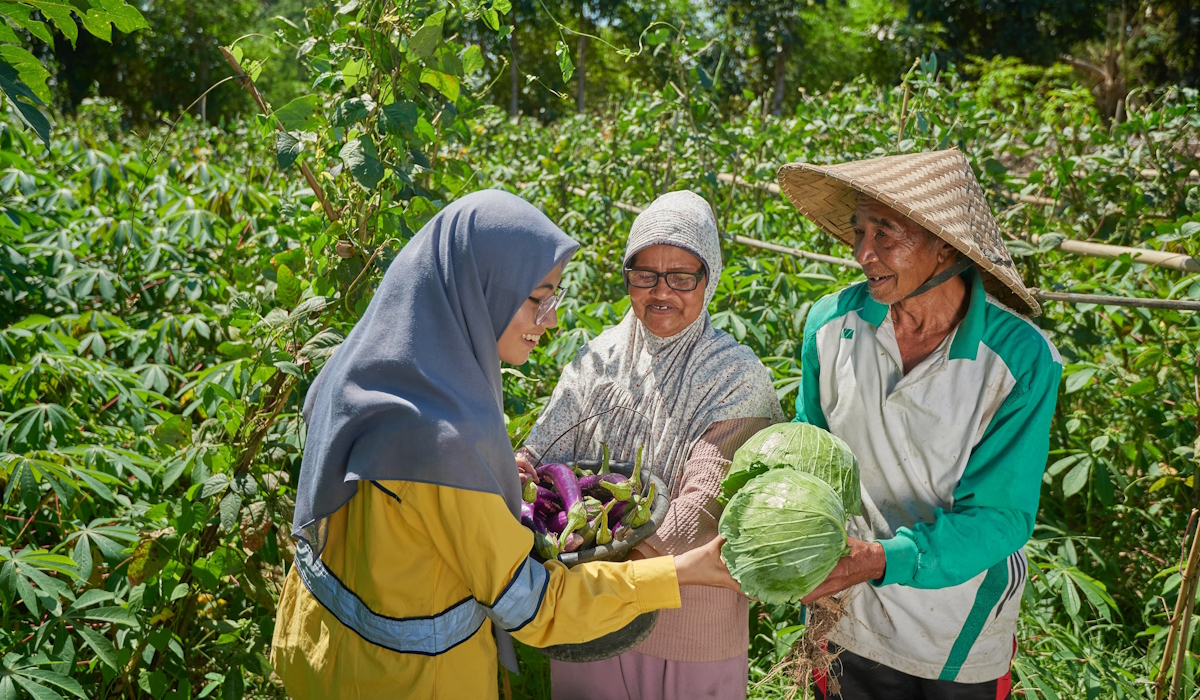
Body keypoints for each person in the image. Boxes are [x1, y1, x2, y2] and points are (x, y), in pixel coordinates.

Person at [270, 190, 739, 700]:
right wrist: (678, 570)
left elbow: (413, 517)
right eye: (539, 298)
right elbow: (532, 606)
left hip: (320, 651)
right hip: (407, 680)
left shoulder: (361, 369)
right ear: (480, 289)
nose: (552, 320)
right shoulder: (446, 441)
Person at [775, 150, 1063, 699]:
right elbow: (809, 452)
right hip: (845, 607)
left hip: (955, 624)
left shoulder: (1020, 360)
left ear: (945, 245)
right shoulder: (831, 326)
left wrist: (884, 559)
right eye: (859, 232)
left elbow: (1002, 518)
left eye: (886, 233)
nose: (863, 253)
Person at [517, 190, 784, 700]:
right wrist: (519, 472)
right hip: (592, 616)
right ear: (628, 278)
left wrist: (600, 571)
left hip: (686, 618)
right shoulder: (597, 360)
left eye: (683, 277)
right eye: (645, 275)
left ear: (710, 281)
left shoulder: (737, 375)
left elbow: (707, 500)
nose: (662, 291)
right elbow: (539, 454)